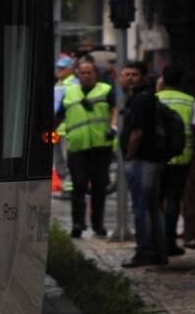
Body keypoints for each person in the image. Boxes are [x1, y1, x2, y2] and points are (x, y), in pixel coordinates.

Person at [56, 57, 115, 238]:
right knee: (78, 187)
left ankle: (98, 225)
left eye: (90, 72)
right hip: (77, 148)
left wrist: (113, 127)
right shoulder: (70, 93)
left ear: (95, 74)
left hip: (100, 147)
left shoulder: (106, 90)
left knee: (99, 188)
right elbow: (59, 116)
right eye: (83, 72)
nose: (87, 75)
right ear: (78, 74)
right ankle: (77, 224)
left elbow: (116, 110)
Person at [155, 65, 195, 256]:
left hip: (157, 157)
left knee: (157, 200)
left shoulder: (155, 99)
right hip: (181, 157)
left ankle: (156, 241)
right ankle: (170, 242)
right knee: (174, 199)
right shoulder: (190, 101)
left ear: (163, 79)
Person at [119, 61, 167, 267]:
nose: (129, 78)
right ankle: (158, 251)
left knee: (141, 207)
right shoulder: (143, 98)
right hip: (150, 160)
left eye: (134, 75)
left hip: (142, 161)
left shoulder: (141, 100)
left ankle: (144, 251)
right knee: (152, 206)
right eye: (126, 74)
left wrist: (129, 155)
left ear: (144, 77)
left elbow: (137, 133)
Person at [53, 55, 79, 197]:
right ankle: (66, 186)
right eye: (58, 67)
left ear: (71, 69)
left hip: (67, 129)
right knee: (58, 161)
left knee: (67, 160)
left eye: (63, 68)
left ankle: (70, 189)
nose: (59, 70)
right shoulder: (59, 84)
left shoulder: (74, 84)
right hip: (56, 129)